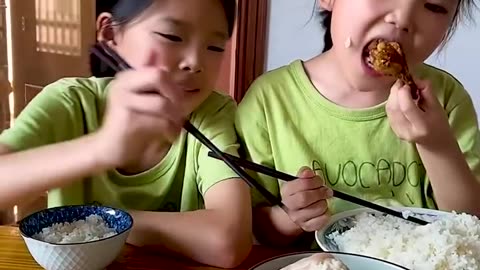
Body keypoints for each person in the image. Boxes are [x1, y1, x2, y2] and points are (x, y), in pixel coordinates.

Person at [0, 0, 252, 267]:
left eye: (215, 46)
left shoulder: (212, 112)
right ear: (110, 34)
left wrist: (102, 222)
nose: (195, 62)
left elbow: (228, 241)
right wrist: (101, 149)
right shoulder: (69, 101)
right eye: (172, 36)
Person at [236, 0, 480, 247]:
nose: (403, 19)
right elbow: (251, 232)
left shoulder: (446, 100)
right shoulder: (269, 102)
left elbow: (470, 226)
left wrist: (437, 144)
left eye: (434, 6)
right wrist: (289, 218)